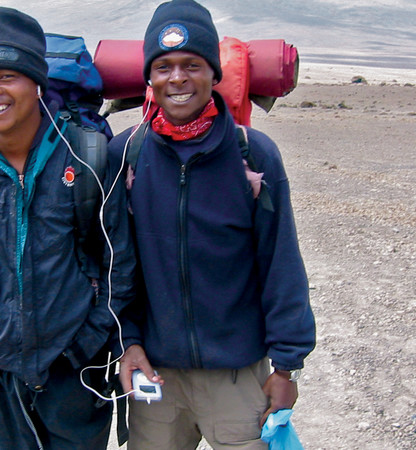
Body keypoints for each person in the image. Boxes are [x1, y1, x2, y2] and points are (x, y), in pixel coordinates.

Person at [0, 7, 136, 449]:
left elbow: (120, 263)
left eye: (7, 76)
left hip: (77, 365)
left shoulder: (88, 157)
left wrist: (88, 340)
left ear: (36, 82)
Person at [113, 1, 316, 448]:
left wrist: (285, 368)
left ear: (214, 74)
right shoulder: (126, 154)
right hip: (155, 376)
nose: (177, 78)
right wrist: (128, 342)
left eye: (192, 65)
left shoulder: (253, 155)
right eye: (163, 66)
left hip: (237, 375)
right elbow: (116, 266)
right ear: (149, 77)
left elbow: (281, 262)